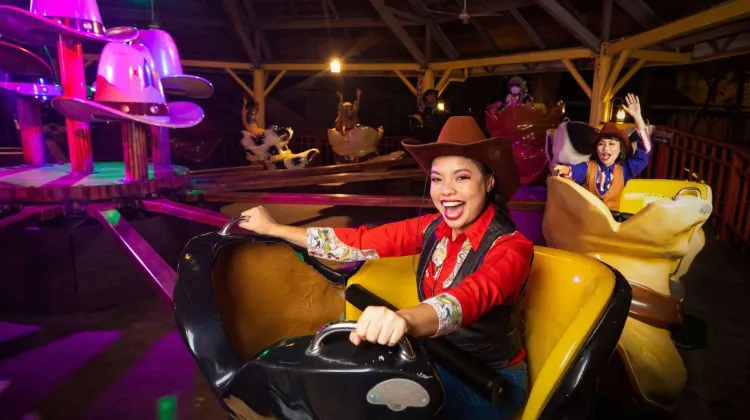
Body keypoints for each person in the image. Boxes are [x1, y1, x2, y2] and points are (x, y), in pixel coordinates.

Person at [239, 116, 533, 419]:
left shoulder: (512, 248)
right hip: (436, 359)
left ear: (488, 181)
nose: (446, 191)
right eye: (437, 179)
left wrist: (403, 319)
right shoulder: (432, 227)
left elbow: (465, 300)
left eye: (461, 177)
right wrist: (275, 229)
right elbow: (359, 242)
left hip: (488, 382)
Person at [553, 93, 652, 211]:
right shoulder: (588, 167)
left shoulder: (625, 170)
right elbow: (573, 171)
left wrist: (638, 118)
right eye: (601, 144)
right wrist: (564, 169)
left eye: (611, 144)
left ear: (620, 149)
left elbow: (645, 151)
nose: (606, 149)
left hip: (612, 220)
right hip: (588, 218)